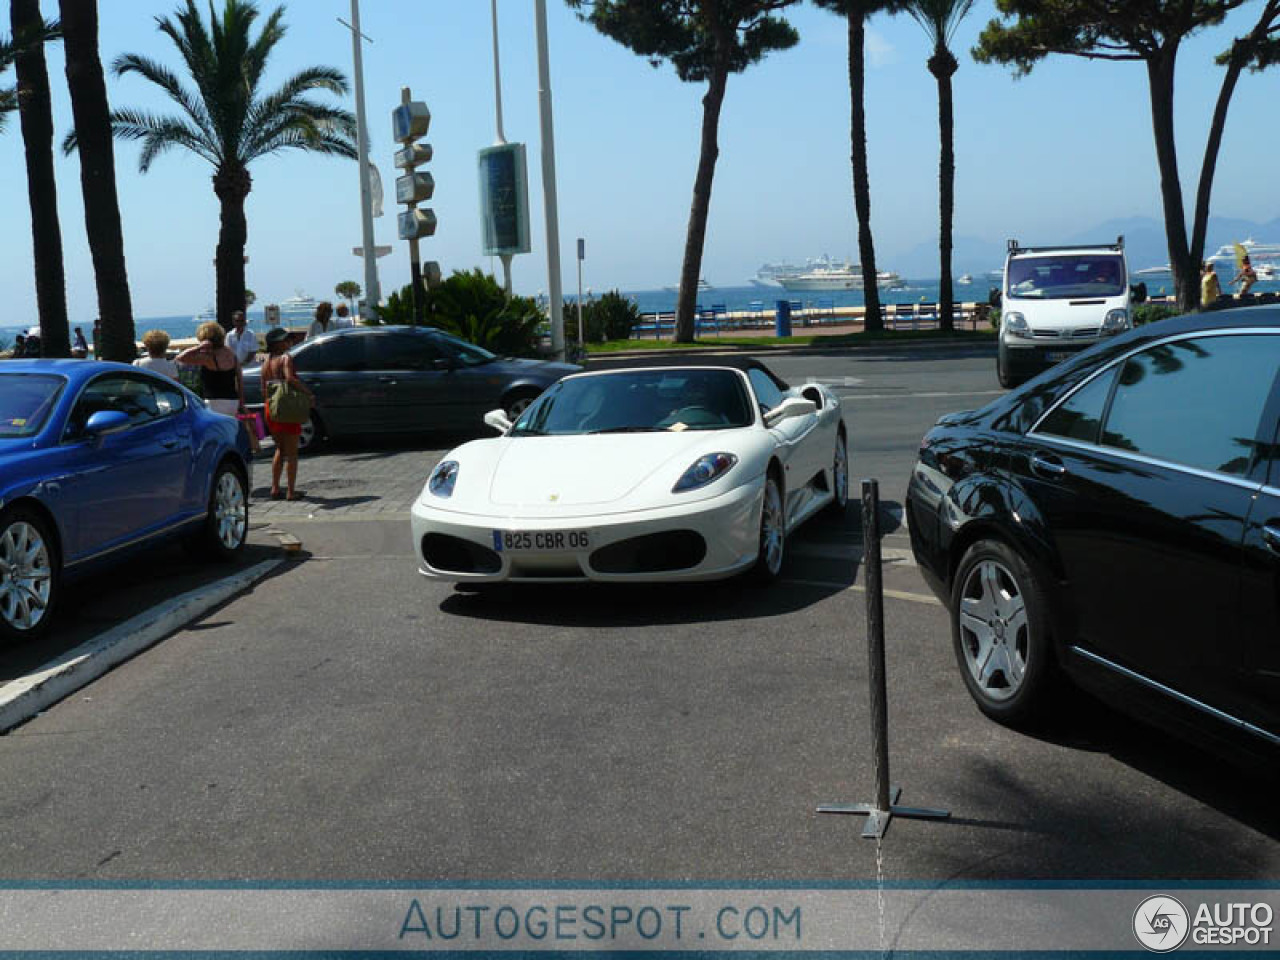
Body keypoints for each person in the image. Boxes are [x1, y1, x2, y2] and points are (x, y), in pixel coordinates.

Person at [261, 326, 316, 500]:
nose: (289, 342)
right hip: (286, 408)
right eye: (285, 340)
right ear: (277, 344)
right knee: (292, 453)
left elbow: (264, 389)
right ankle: (291, 491)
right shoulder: (286, 358)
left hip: (271, 408)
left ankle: (275, 488)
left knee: (280, 448)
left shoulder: (266, 363)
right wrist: (308, 393)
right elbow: (290, 378)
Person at [175, 321, 244, 418]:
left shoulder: (208, 357)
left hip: (213, 401)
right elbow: (240, 380)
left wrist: (199, 347)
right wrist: (242, 402)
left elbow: (180, 358)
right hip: (232, 401)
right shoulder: (231, 354)